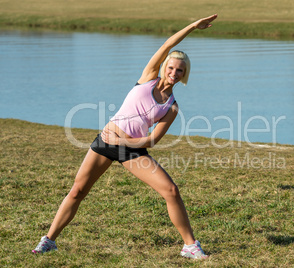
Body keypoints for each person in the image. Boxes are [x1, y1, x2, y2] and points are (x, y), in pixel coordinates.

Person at [32, 14, 218, 259]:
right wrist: (193, 26)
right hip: (105, 141)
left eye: (179, 71)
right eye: (171, 67)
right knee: (78, 190)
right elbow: (167, 46)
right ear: (165, 67)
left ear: (184, 75)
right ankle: (49, 240)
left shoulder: (171, 107)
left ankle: (190, 246)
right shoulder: (148, 77)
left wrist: (123, 143)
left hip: (132, 149)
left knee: (171, 190)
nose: (174, 72)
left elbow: (152, 140)